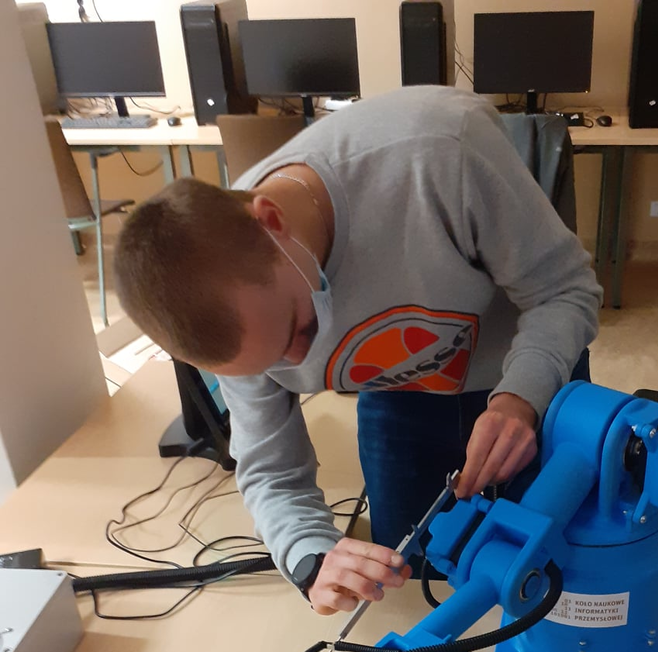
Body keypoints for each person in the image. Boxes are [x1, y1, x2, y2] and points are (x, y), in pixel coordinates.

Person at [114, 85, 602, 615]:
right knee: (415, 590)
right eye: (271, 365)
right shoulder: (229, 311)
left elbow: (565, 291)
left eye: (297, 330)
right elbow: (270, 470)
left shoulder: (441, 152)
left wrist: (522, 398)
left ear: (272, 222)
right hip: (399, 396)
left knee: (559, 577)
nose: (299, 364)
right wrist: (311, 559)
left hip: (534, 364)